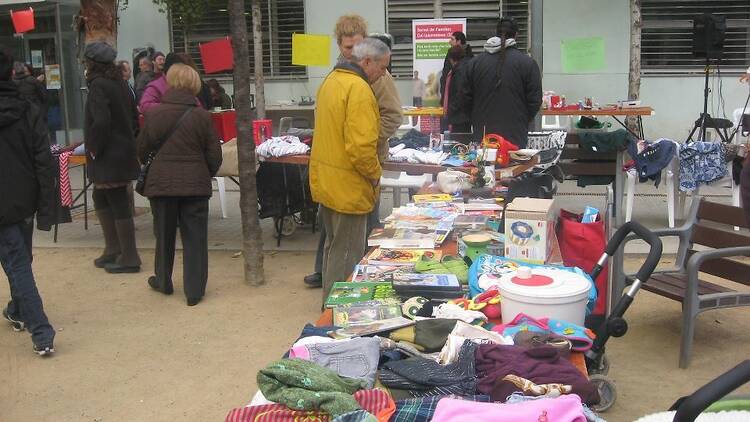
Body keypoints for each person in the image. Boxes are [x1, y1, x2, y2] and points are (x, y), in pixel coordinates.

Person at [303, 15, 402, 288]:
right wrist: (373, 174)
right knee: (346, 253)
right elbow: (359, 148)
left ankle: (330, 307)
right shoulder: (358, 88)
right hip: (349, 182)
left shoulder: (332, 80)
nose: (383, 73)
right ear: (367, 60)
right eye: (382, 68)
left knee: (334, 247)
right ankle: (337, 314)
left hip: (332, 179)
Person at [136, 64, 222, 306]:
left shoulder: (154, 114)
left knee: (163, 235)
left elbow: (141, 149)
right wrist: (204, 173)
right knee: (195, 239)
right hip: (195, 186)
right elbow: (214, 155)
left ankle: (163, 280)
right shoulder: (203, 116)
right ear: (195, 85)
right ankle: (194, 291)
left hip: (161, 184)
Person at [0, 46, 57, 356]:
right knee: (19, 258)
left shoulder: (26, 108)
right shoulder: (28, 109)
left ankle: (41, 330)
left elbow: (41, 158)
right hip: (23, 197)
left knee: (19, 263)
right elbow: (42, 159)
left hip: (16, 200)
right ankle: (19, 309)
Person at [83, 42, 142, 274]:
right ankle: (113, 249)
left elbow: (102, 121)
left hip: (108, 152)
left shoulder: (99, 85)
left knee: (117, 201)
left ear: (92, 63)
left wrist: (95, 147)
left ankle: (129, 257)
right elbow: (134, 117)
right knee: (101, 197)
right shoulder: (120, 83)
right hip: (122, 150)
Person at [455, 17, 542, 148]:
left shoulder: (474, 63)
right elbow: (535, 101)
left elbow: (463, 98)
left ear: (495, 33)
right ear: (516, 35)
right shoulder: (528, 63)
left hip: (483, 134)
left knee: (484, 167)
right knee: (514, 167)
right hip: (515, 134)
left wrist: (476, 117)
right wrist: (522, 118)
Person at [443, 45, 471, 133]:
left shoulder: (459, 71)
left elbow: (460, 92)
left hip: (459, 116)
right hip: (461, 115)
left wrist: (451, 109)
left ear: (451, 59)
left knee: (458, 142)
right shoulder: (464, 68)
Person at [440, 31, 473, 105]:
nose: (449, 42)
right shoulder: (450, 53)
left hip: (461, 100)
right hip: (449, 96)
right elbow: (445, 74)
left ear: (459, 41)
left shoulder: (469, 58)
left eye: (452, 39)